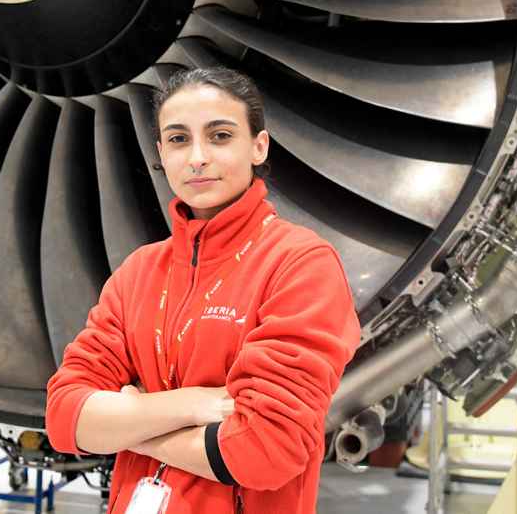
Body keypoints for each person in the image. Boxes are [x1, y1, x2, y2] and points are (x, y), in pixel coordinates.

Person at [45, 67, 362, 514]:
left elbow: (265, 450)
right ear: (160, 152)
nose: (197, 157)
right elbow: (64, 418)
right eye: (178, 139)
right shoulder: (139, 271)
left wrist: (130, 423)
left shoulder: (300, 263)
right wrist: (193, 404)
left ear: (258, 146)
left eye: (219, 136)